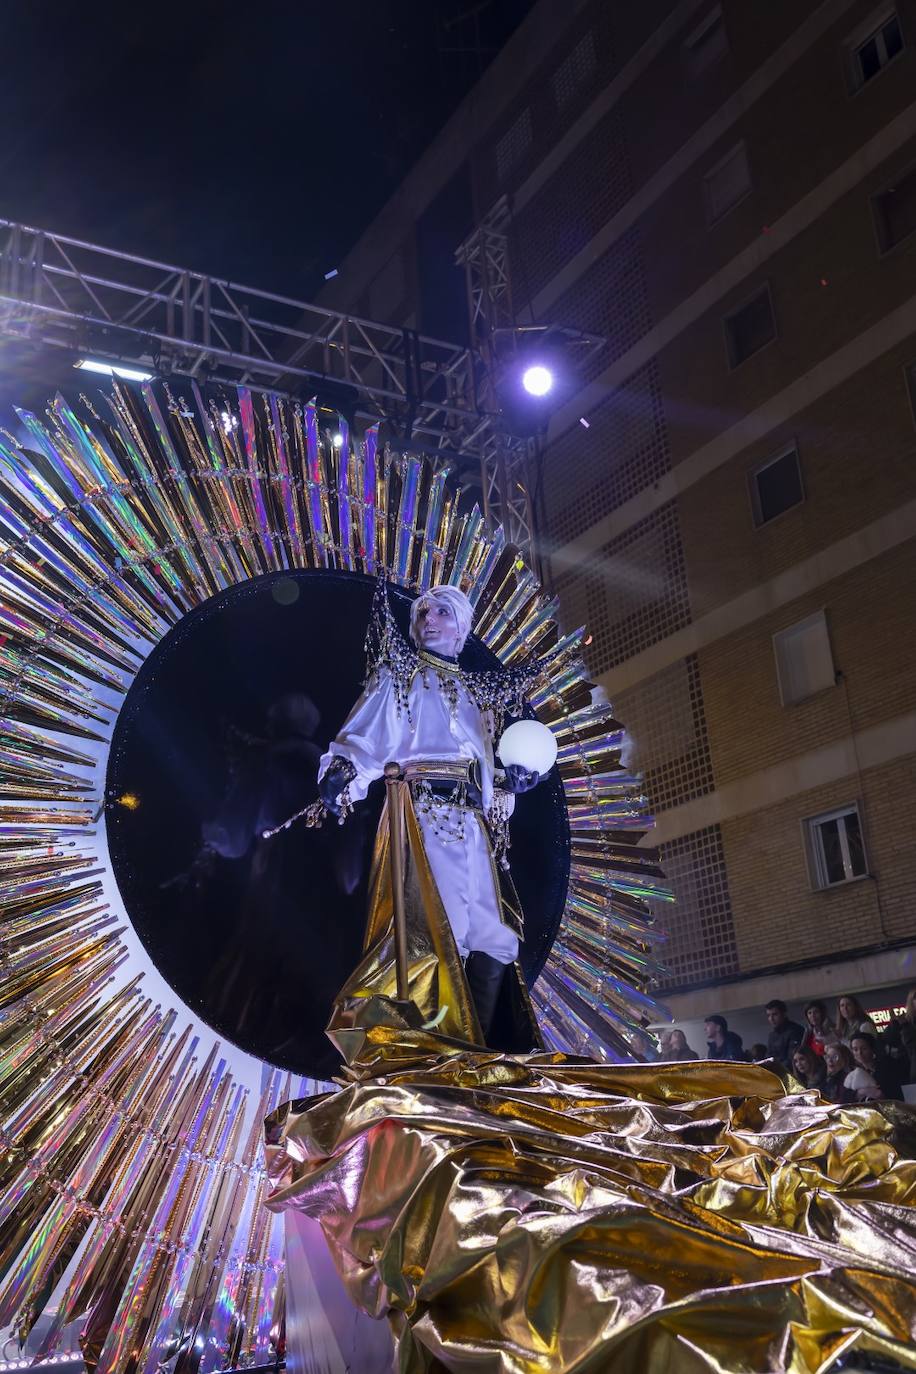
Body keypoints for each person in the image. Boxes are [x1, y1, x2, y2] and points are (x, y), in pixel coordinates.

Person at [316, 581, 544, 1049]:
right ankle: (443, 1047)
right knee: (445, 928)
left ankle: (478, 1048)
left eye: (441, 612)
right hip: (426, 815)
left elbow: (484, 770)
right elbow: (367, 732)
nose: (428, 620)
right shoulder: (400, 674)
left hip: (473, 826)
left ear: (462, 627)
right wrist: (342, 769)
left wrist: (511, 784)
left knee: (498, 934)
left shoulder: (478, 696)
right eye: (422, 614)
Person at [850, 1031, 903, 1101]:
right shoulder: (852, 1071)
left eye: (864, 1048)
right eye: (855, 1049)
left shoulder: (888, 1065)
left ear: (872, 1048)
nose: (859, 1053)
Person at [881, 987, 916, 1084]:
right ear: (911, 1002)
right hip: (907, 1071)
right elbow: (887, 1039)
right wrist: (894, 1024)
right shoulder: (903, 1021)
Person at [764, 999, 804, 1069]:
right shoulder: (772, 1035)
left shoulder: (795, 1031)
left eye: (775, 1014)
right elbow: (768, 1057)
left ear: (784, 1014)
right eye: (768, 1015)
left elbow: (792, 1059)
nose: (771, 1018)